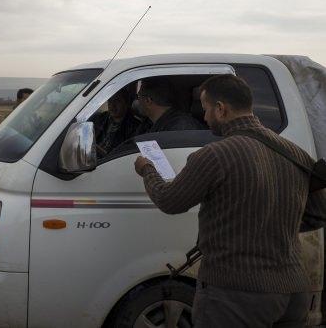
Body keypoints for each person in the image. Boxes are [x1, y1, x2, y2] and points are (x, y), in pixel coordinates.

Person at [134, 74, 326, 327]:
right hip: (293, 294)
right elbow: (318, 214)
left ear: (220, 109)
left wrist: (147, 170)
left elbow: (169, 201)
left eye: (205, 109)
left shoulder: (215, 155)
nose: (203, 117)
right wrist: (270, 223)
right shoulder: (294, 153)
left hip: (234, 296)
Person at [133, 76, 204, 135]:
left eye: (139, 97)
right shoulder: (148, 123)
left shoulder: (181, 127)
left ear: (148, 101)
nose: (137, 101)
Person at [92, 88, 140, 157]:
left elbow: (123, 156)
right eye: (110, 101)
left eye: (117, 101)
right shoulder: (100, 118)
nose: (112, 105)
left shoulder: (134, 127)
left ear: (126, 103)